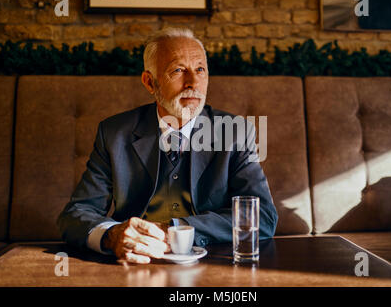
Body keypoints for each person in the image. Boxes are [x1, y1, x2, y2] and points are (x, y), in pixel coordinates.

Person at [57, 27, 278, 264]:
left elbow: (261, 216)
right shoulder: (114, 133)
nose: (192, 82)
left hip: (215, 263)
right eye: (178, 70)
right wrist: (112, 236)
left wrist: (173, 230)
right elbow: (76, 215)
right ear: (150, 82)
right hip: (134, 263)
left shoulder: (235, 132)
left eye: (200, 69)